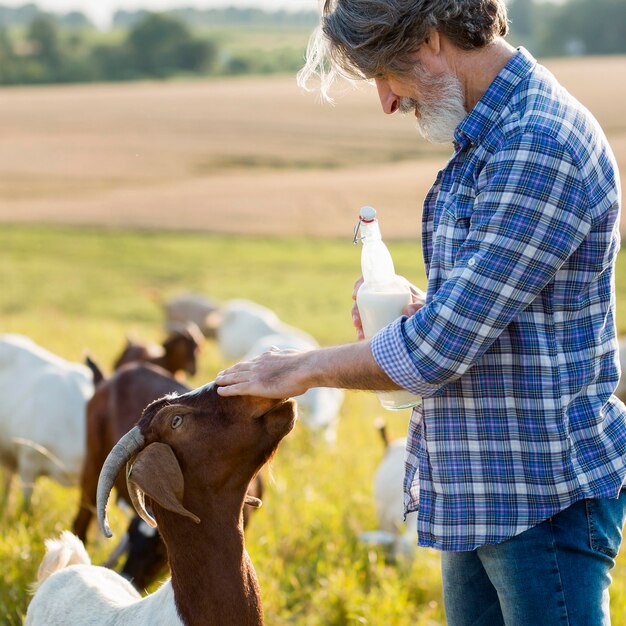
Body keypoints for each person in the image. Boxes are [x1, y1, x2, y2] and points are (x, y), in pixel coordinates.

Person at [216, 1, 626, 623]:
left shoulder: (538, 145)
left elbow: (436, 351)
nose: (386, 99)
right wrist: (418, 309)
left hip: (541, 497)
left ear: (431, 40)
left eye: (385, 72)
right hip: (483, 491)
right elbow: (495, 311)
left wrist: (297, 369)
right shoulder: (495, 136)